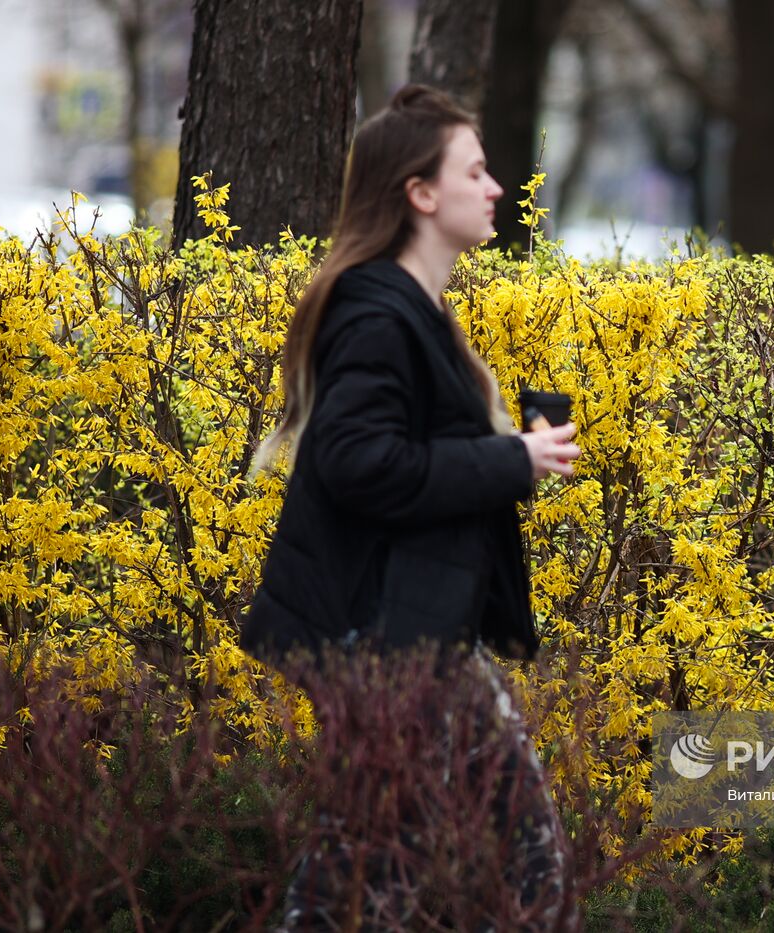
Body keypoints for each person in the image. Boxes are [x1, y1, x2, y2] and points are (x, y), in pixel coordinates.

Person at [241, 83, 580, 930]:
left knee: (481, 860)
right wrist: (509, 458)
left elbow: (406, 443)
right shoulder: (377, 313)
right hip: (381, 639)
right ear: (421, 194)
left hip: (419, 635)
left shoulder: (407, 309)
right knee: (383, 873)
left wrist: (514, 438)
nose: (496, 186)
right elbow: (358, 462)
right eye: (476, 170)